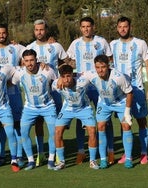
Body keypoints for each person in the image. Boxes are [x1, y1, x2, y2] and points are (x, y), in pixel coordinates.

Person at [66, 16, 115, 165]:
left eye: (89, 26)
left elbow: (110, 60)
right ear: (80, 28)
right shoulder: (75, 44)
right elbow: (68, 60)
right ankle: (81, 151)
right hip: (82, 88)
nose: (86, 29)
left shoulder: (101, 42)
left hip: (99, 87)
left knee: (105, 118)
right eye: (83, 26)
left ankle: (110, 150)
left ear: (93, 27)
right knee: (81, 119)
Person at [110, 16, 148, 164]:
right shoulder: (113, 44)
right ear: (117, 28)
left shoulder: (140, 43)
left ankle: (143, 152)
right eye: (120, 27)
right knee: (124, 123)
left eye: (125, 26)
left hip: (137, 89)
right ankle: (126, 153)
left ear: (130, 27)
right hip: (120, 92)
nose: (123, 29)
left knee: (142, 121)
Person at [26, 19, 69, 166]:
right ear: (34, 31)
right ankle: (41, 153)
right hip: (37, 93)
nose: (39, 32)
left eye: (42, 29)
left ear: (46, 30)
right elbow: (24, 64)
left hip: (55, 91)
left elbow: (66, 61)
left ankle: (57, 153)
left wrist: (62, 76)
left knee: (56, 125)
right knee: (38, 124)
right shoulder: (30, 47)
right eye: (37, 30)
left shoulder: (55, 46)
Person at [79, 54, 134, 169]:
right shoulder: (91, 74)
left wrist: (127, 112)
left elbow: (129, 93)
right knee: (101, 126)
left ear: (108, 66)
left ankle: (128, 158)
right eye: (98, 67)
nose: (100, 70)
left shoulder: (118, 77)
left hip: (120, 102)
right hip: (104, 103)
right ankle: (103, 159)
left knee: (126, 126)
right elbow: (76, 76)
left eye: (103, 67)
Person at [0, 23, 25, 167]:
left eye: (4, 33)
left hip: (14, 94)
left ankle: (19, 155)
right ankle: (2, 155)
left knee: (17, 125)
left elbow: (32, 56)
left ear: (7, 33)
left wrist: (50, 40)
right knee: (0, 126)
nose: (1, 35)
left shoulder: (17, 48)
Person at [11, 49, 57, 170]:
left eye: (32, 60)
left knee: (53, 132)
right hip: (30, 108)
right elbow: (11, 82)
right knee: (24, 132)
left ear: (36, 60)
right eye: (26, 61)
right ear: (23, 62)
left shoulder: (47, 71)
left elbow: (56, 84)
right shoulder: (19, 73)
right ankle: (31, 160)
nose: (29, 63)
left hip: (48, 106)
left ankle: (51, 160)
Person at [52, 64, 99, 170]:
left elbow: (97, 72)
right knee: (58, 132)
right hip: (67, 109)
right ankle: (61, 161)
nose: (66, 80)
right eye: (63, 77)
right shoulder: (56, 84)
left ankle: (92, 161)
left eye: (68, 76)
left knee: (92, 131)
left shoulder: (83, 81)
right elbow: (49, 80)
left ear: (73, 75)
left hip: (84, 108)